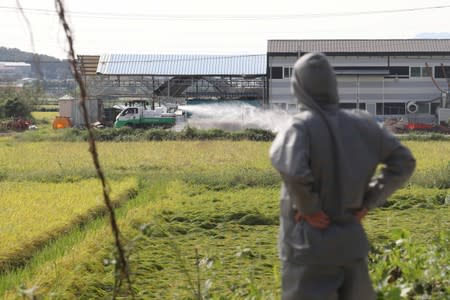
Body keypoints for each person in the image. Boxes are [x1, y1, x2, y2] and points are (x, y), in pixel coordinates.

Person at [270, 52, 416, 300]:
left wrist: (309, 208)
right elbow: (404, 162)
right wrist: (369, 200)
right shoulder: (365, 124)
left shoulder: (299, 127)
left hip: (308, 246)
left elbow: (292, 169)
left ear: (298, 87)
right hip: (351, 242)